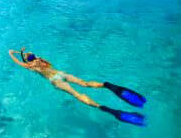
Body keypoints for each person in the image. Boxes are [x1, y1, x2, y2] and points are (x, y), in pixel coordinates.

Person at [8, 47, 147, 126]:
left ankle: (101, 107)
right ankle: (106, 85)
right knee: (85, 83)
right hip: (62, 74)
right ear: (35, 55)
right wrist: (23, 53)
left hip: (56, 81)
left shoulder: (31, 66)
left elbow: (20, 63)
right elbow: (31, 58)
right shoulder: (43, 60)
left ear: (28, 60)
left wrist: (12, 53)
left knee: (77, 94)